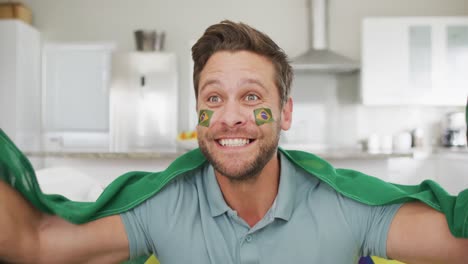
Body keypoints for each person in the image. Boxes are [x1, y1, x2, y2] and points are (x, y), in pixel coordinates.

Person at [0, 20, 467, 264]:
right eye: (214, 97)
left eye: (251, 97)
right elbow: (35, 243)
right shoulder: (163, 205)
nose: (230, 117)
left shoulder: (346, 204)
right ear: (198, 113)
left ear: (285, 112)